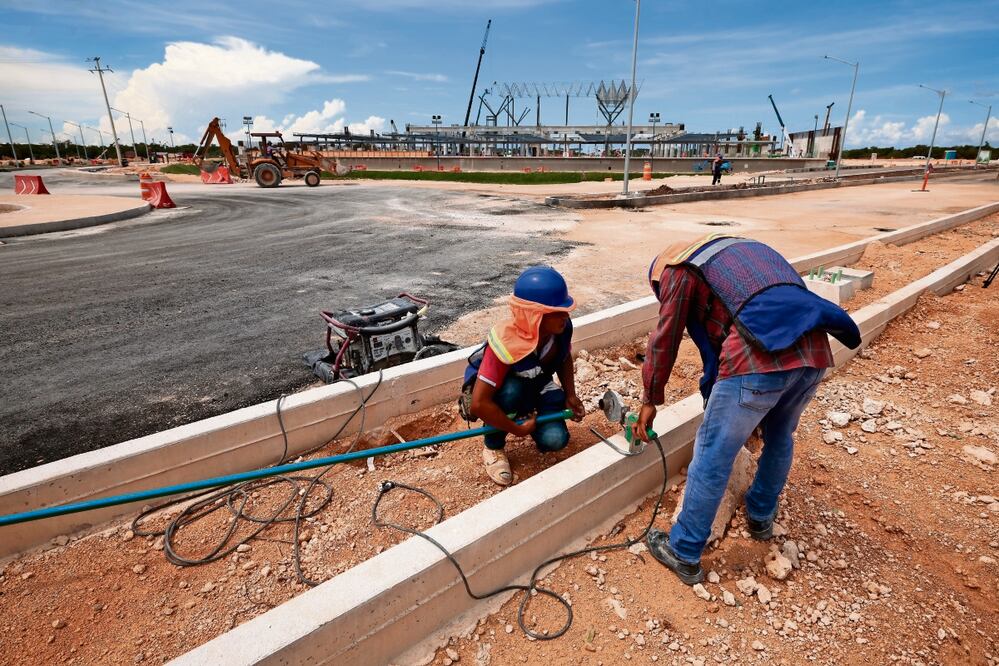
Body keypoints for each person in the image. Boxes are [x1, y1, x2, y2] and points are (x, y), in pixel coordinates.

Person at [632, 234, 860, 585]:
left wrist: (650, 398)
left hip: (758, 358)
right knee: (780, 435)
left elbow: (665, 339)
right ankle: (761, 516)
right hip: (813, 353)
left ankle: (685, 550)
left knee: (713, 452)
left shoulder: (678, 272)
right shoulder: (740, 254)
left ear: (659, 277)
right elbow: (725, 336)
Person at [462, 266, 586, 486]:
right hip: (502, 396)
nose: (565, 316)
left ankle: (531, 419)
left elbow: (564, 357)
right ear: (534, 315)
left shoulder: (561, 329)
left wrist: (570, 395)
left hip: (537, 386)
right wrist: (516, 430)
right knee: (511, 391)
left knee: (555, 440)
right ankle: (493, 446)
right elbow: (479, 404)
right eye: (557, 311)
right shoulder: (504, 344)